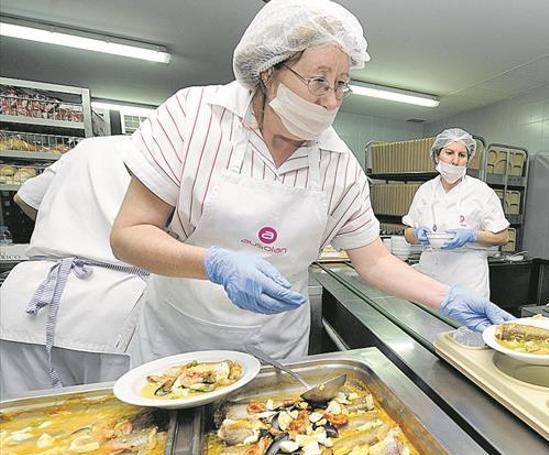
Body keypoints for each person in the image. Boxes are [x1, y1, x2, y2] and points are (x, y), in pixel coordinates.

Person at [109, 0, 512, 366]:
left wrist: (447, 298)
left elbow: (373, 260)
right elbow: (129, 234)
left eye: (340, 84)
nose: (332, 100)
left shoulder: (340, 165)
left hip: (276, 350)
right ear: (268, 72)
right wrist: (214, 264)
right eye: (318, 80)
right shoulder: (194, 116)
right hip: (180, 343)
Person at [0, 136, 148, 395]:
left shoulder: (90, 146)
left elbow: (24, 198)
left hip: (25, 295)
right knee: (112, 424)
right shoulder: (168, 155)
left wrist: (64, 230)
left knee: (22, 423)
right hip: (110, 301)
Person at [402, 128, 509, 298]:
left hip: (468, 279)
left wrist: (472, 235)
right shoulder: (425, 190)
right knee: (427, 323)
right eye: (449, 153)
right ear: (437, 156)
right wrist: (416, 233)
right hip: (430, 276)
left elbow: (502, 237)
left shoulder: (480, 191)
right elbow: (408, 233)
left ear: (468, 159)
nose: (455, 161)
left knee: (464, 324)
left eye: (462, 155)